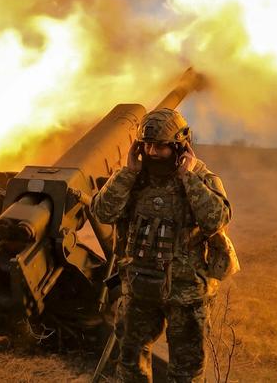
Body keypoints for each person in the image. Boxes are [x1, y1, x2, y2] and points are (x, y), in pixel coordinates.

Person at [91, 108, 239, 383]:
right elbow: (102, 212)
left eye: (160, 146)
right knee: (130, 363)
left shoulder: (201, 179)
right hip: (138, 289)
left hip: (185, 293)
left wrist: (188, 176)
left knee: (185, 369)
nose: (152, 152)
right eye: (146, 145)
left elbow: (215, 220)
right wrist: (127, 172)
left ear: (180, 146)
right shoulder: (132, 178)